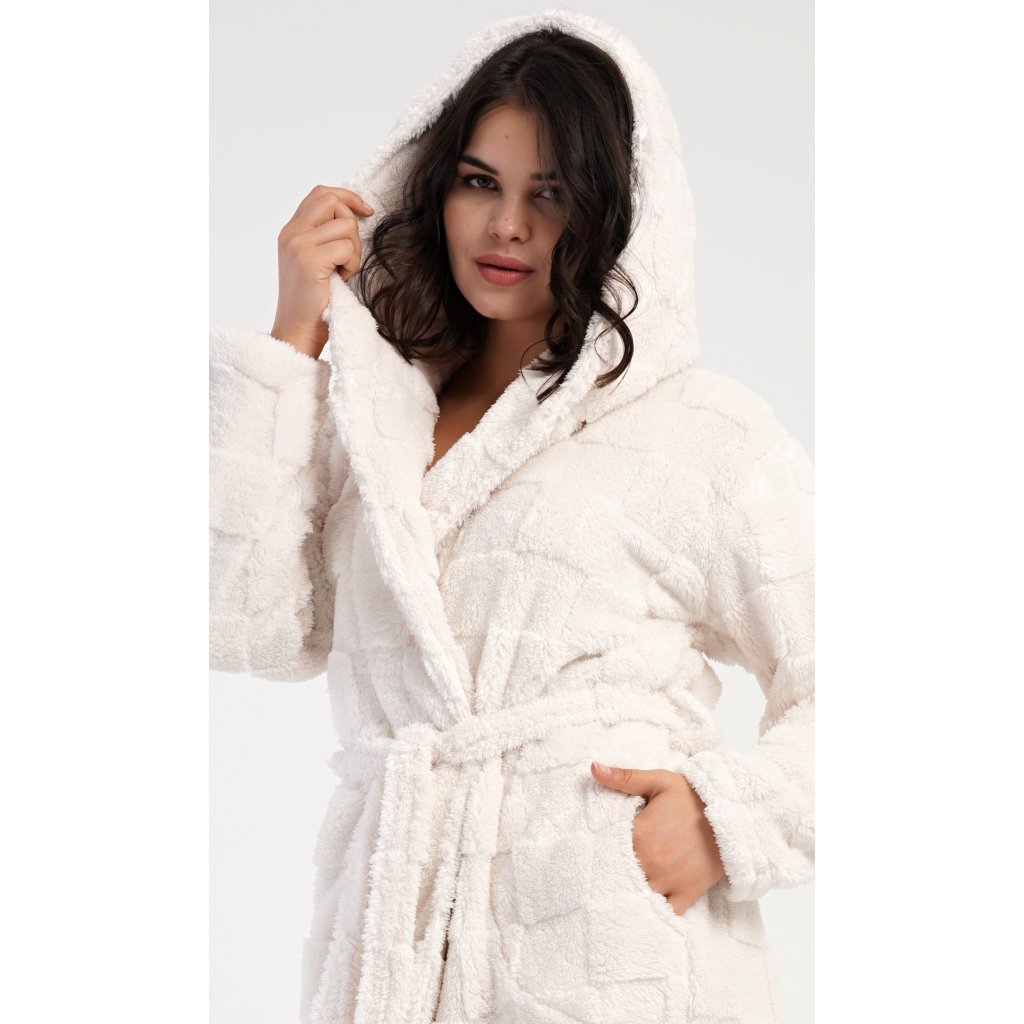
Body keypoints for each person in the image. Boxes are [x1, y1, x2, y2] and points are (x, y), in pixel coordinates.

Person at [210, 10, 813, 1024]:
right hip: (395, 946)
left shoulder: (702, 434)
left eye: (553, 193)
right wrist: (291, 341)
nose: (507, 227)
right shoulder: (376, 421)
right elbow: (250, 628)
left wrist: (726, 819)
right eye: (480, 182)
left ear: (619, 213)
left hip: (611, 956)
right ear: (433, 185)